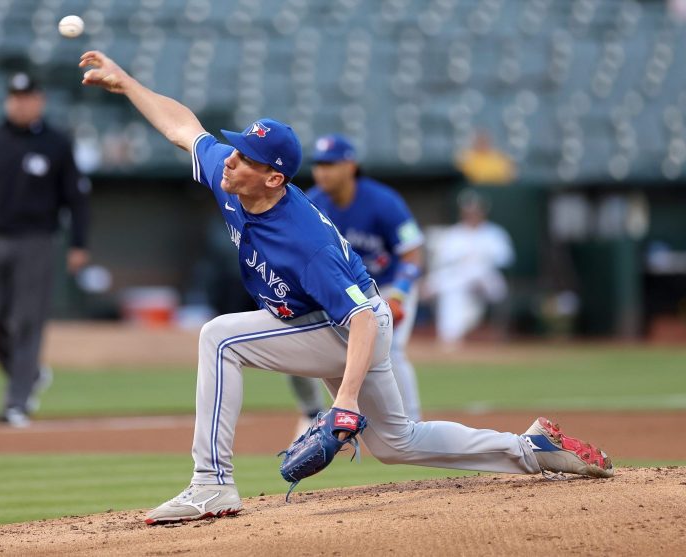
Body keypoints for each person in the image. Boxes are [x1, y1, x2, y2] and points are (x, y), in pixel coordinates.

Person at [78, 50, 613, 524]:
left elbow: (357, 319)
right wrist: (127, 83)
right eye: (235, 150)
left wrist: (347, 401)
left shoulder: (303, 240)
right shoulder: (231, 177)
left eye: (245, 156)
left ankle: (211, 484)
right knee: (397, 443)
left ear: (274, 179)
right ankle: (531, 449)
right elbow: (184, 128)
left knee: (219, 338)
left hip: (350, 326)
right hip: (336, 319)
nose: (231, 157)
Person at [0, 72, 90, 428]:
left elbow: (76, 198)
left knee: (27, 322)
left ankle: (16, 402)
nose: (20, 102)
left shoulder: (57, 143)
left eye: (27, 96)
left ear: (39, 101)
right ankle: (29, 374)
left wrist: (78, 243)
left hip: (38, 241)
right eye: (14, 96)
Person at [287, 134, 424, 432]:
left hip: (387, 287)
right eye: (319, 165)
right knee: (295, 347)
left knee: (392, 350)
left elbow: (412, 254)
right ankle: (312, 415)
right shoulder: (311, 203)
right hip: (341, 292)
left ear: (350, 166)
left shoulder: (383, 201)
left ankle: (413, 423)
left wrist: (399, 296)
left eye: (330, 164)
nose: (322, 171)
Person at [426, 189, 514, 347]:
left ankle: (454, 334)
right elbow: (443, 263)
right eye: (468, 210)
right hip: (460, 281)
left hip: (487, 279)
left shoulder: (494, 233)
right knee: (452, 289)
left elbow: (506, 259)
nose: (472, 214)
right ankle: (450, 338)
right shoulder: (454, 234)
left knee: (473, 277)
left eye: (475, 210)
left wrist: (481, 257)